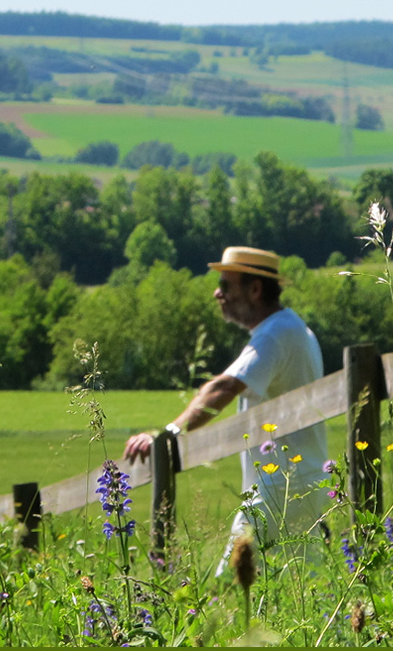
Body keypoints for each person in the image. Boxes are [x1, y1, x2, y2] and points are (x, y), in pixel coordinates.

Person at [123, 246, 329, 574]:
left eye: (226, 285)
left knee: (230, 588)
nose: (218, 293)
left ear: (255, 289)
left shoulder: (275, 334)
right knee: (301, 596)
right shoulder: (290, 329)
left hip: (281, 489)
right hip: (302, 483)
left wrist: (168, 435)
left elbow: (224, 387)